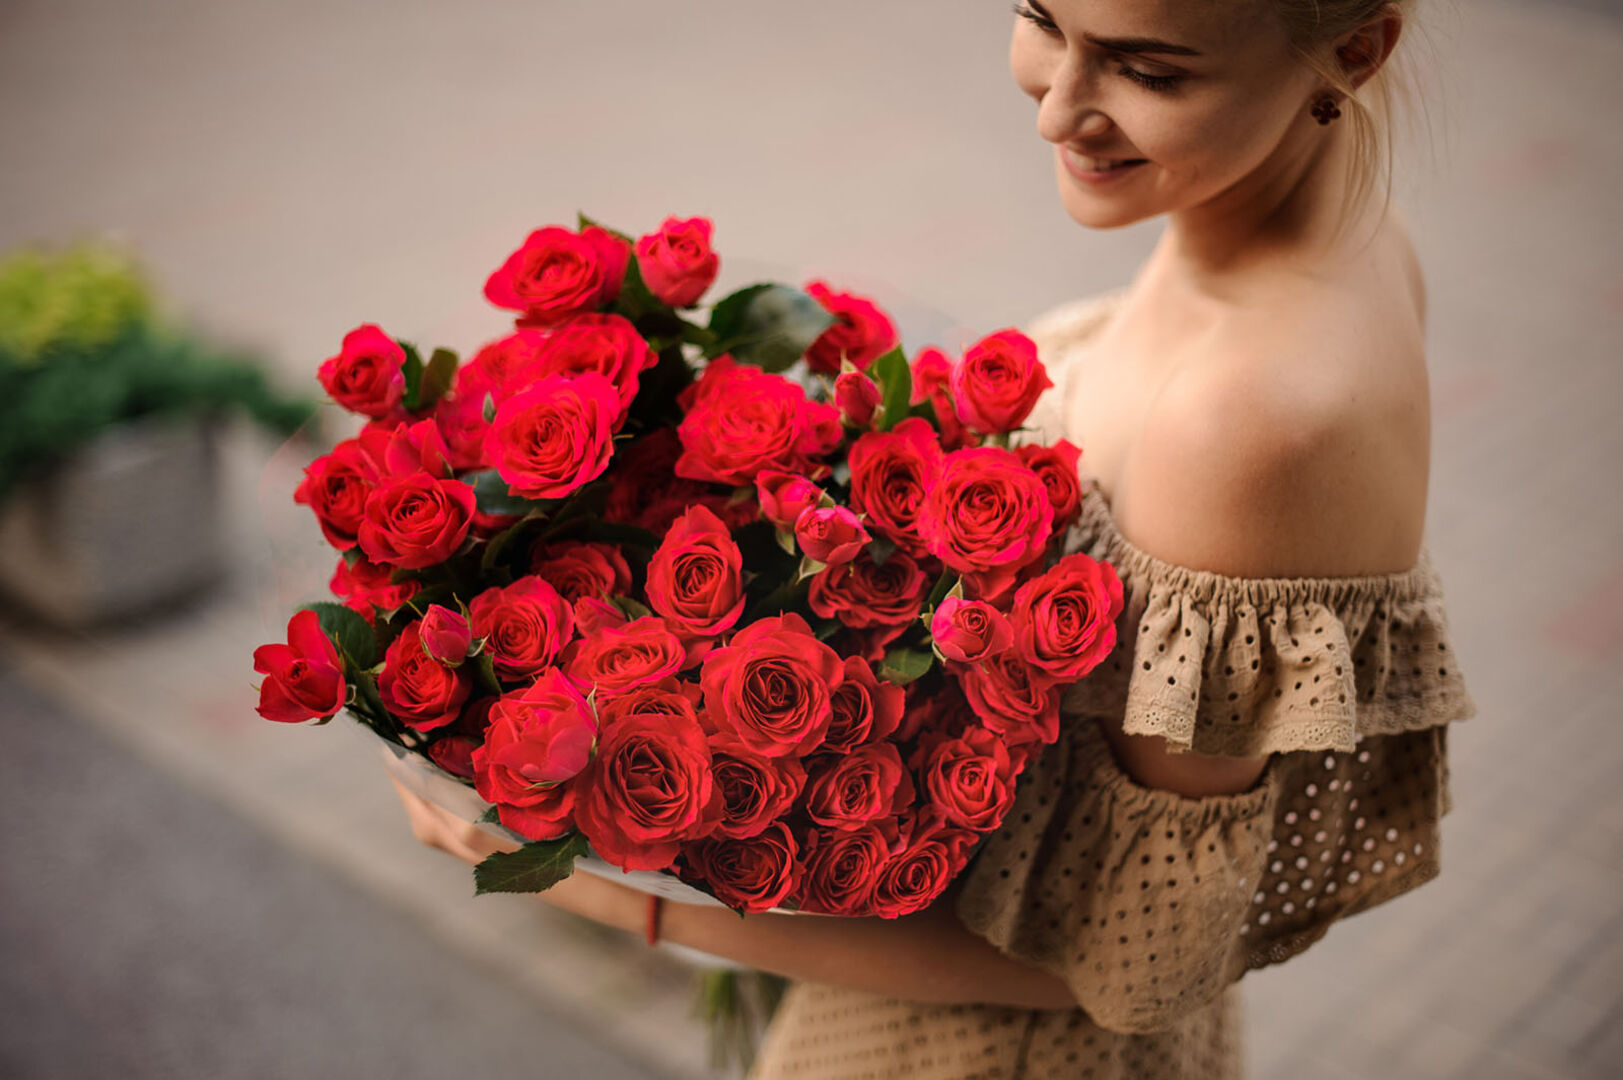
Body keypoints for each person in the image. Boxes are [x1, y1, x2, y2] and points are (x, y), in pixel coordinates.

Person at [395, 0, 1476, 1075]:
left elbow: (1111, 960)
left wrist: (599, 887)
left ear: (1352, 51)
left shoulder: (1248, 422)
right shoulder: (1336, 227)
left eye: (1148, 71)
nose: (1055, 111)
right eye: (1040, 18)